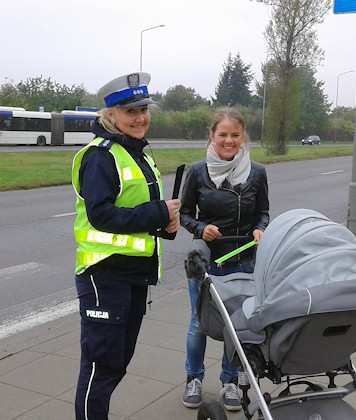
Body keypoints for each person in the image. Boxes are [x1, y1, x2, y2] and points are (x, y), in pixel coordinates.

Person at [72, 71, 180, 420]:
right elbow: (101, 215)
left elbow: (140, 214)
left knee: (116, 364)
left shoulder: (136, 152)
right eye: (131, 111)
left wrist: (166, 224)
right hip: (105, 275)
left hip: (133, 275)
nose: (141, 117)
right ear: (111, 115)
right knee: (101, 367)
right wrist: (157, 212)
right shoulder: (101, 156)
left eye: (144, 109)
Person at [179, 107, 269, 411]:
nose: (228, 140)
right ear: (212, 136)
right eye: (222, 135)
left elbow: (264, 212)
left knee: (239, 325)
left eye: (235, 134)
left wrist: (260, 229)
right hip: (206, 261)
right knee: (199, 323)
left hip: (244, 259)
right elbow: (185, 214)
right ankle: (194, 378)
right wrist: (202, 228)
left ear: (242, 136)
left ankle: (230, 382)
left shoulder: (257, 172)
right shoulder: (197, 171)